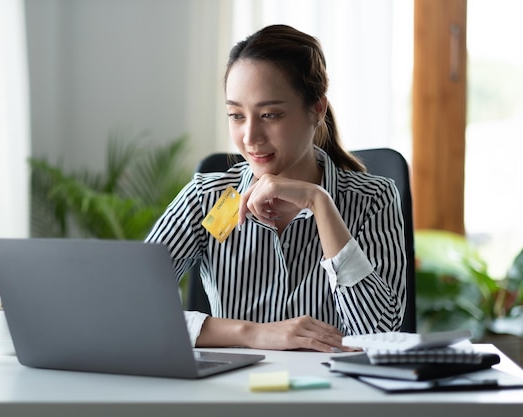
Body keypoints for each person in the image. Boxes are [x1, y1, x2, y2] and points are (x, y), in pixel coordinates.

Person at [145, 24, 406, 352]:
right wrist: (252, 334)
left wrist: (319, 202)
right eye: (236, 116)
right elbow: (131, 310)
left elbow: (378, 333)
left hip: (336, 394)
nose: (250, 137)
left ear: (317, 110)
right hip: (235, 395)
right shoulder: (208, 200)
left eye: (269, 115)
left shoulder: (371, 200)